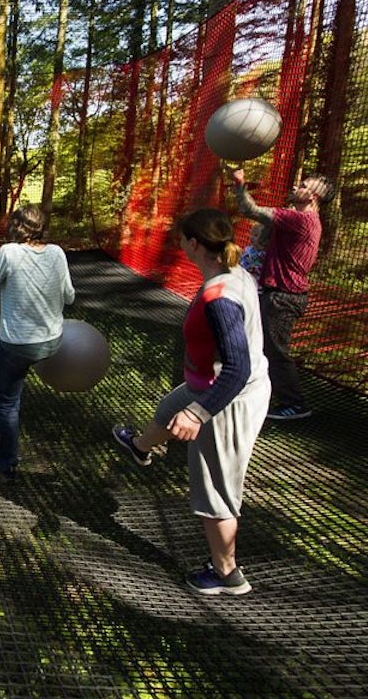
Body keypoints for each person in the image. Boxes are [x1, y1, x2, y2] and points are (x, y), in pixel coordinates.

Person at [110, 207, 270, 596]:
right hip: (207, 384)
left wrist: (199, 413)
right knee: (167, 409)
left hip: (226, 400)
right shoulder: (231, 272)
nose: (179, 244)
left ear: (193, 243)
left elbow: (235, 369)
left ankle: (226, 573)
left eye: (181, 239)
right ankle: (140, 446)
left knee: (215, 488)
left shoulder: (221, 297)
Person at [0, 203, 75, 480]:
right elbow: (69, 297)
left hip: (20, 346)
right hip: (52, 340)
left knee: (9, 404)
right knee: (5, 340)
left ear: (16, 227)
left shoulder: (8, 253)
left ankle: (7, 464)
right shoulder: (57, 253)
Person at [229, 167, 335, 420]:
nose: (297, 186)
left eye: (304, 185)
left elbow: (250, 211)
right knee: (263, 346)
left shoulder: (301, 220)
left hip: (284, 297)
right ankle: (263, 393)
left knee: (276, 350)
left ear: (314, 197)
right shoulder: (299, 220)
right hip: (277, 294)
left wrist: (240, 184)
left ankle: (294, 404)